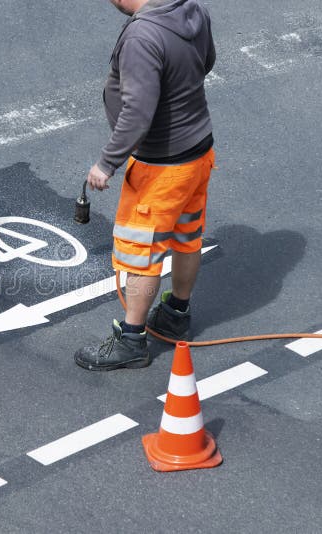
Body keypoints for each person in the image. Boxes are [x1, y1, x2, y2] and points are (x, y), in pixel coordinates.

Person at [75, 0, 217, 371]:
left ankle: (133, 339)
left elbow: (138, 110)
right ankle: (175, 312)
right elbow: (207, 61)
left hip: (162, 166)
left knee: (142, 254)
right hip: (198, 152)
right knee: (187, 235)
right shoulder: (191, 8)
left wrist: (107, 163)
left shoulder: (142, 35)